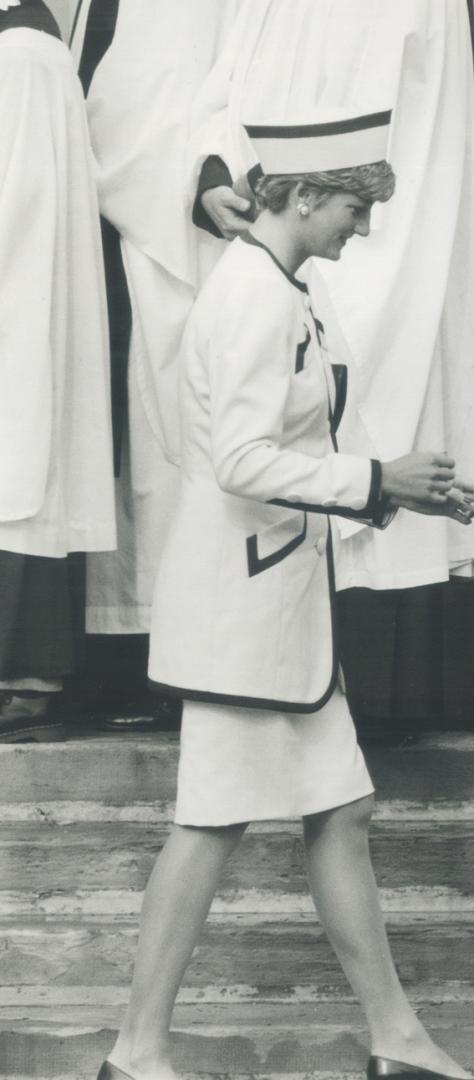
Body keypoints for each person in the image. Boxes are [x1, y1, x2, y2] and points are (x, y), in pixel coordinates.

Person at [98, 107, 474, 1080]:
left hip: (281, 614)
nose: (361, 228)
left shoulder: (283, 287)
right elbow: (240, 460)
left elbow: (291, 454)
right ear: (302, 198)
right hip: (243, 616)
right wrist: (374, 481)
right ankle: (135, 1052)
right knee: (210, 823)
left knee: (340, 812)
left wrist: (388, 495)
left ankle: (395, 1037)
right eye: (352, 209)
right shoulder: (253, 299)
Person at [188, 0, 474, 741]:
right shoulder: (254, 292)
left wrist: (340, 241)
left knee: (338, 800)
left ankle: (374, 691)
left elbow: (395, 152)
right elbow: (231, 83)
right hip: (281, 234)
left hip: (343, 245)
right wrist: (215, 170)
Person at [67, 0, 241, 731]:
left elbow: (159, 99)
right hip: (101, 226)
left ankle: (169, 664)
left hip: (156, 234)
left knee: (160, 451)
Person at [0, 0, 116, 743]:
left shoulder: (22, 57)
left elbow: (18, 209)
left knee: (20, 468)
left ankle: (24, 679)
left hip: (20, 305)